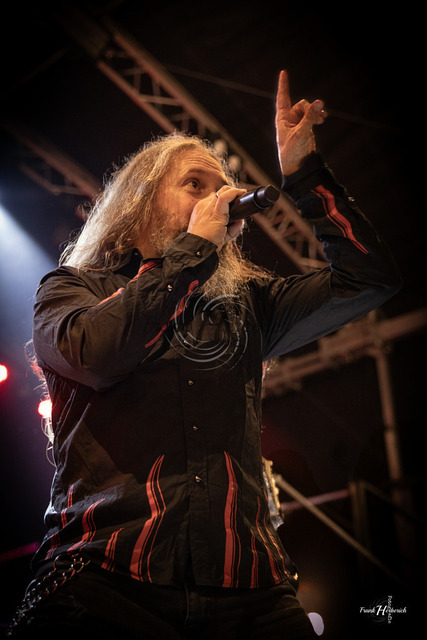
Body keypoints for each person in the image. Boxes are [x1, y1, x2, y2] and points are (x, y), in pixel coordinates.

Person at [8, 70, 400, 639]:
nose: (219, 199)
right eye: (195, 183)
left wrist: (305, 177)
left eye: (223, 187)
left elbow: (371, 278)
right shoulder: (73, 289)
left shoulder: (247, 305)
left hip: (251, 589)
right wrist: (193, 248)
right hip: (106, 579)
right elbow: (99, 353)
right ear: (141, 203)